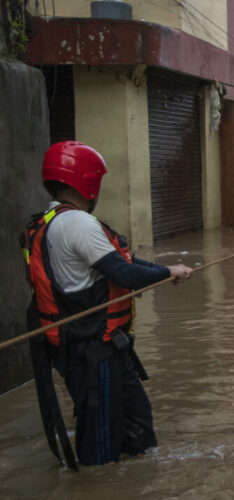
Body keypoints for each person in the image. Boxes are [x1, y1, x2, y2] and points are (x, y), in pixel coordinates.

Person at [21, 141, 193, 468]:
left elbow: (121, 263)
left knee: (136, 420)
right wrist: (169, 272)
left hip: (104, 346)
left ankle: (139, 480)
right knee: (100, 442)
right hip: (91, 350)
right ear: (88, 182)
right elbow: (124, 273)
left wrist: (163, 272)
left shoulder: (49, 220)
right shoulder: (78, 224)